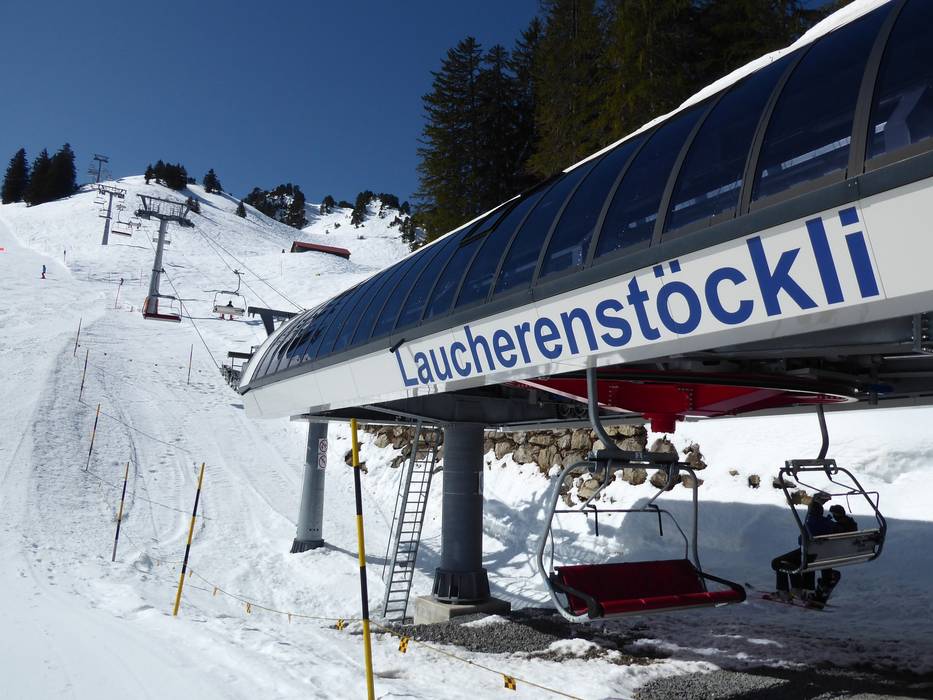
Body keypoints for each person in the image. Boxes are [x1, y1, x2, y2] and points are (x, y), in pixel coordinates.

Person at [771, 492, 834, 601]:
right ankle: (803, 589)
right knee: (802, 559)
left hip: (809, 555)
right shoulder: (828, 523)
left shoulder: (811, 522)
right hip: (821, 555)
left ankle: (788, 590)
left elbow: (801, 541)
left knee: (777, 562)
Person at [809, 505, 860, 607]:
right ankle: (822, 591)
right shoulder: (850, 524)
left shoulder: (837, 527)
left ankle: (819, 591)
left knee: (818, 558)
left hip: (831, 553)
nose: (833, 516)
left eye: (834, 514)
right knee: (825, 561)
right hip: (843, 552)